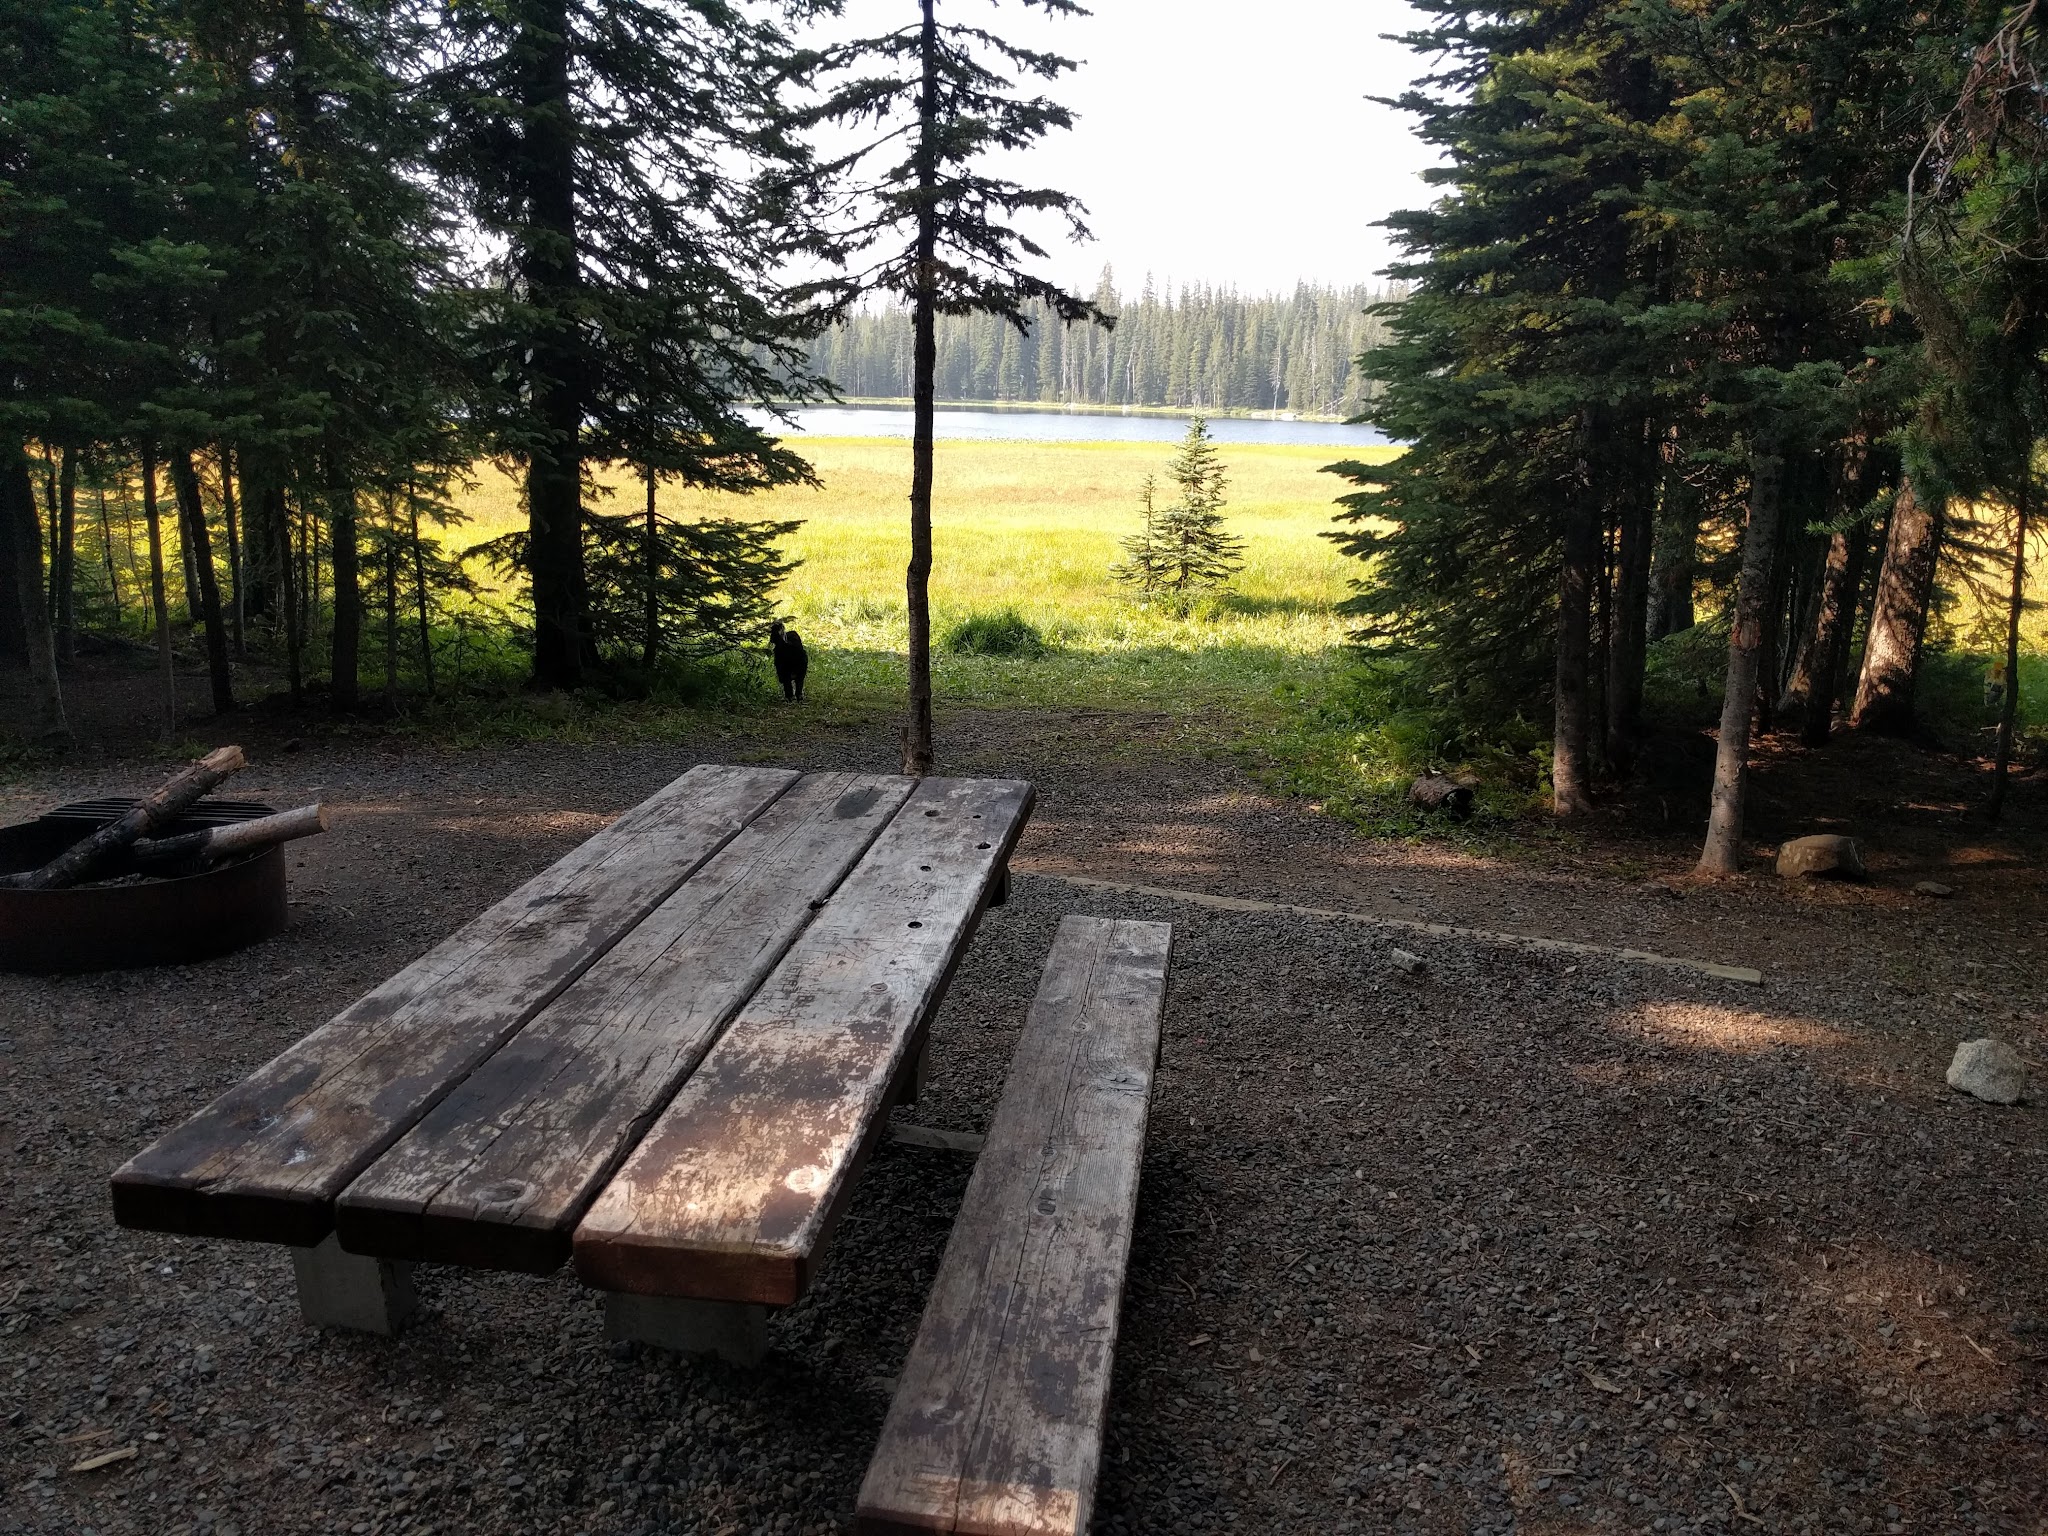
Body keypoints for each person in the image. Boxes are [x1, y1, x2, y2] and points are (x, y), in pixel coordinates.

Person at [769, 620, 808, 702]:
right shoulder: (792, 638)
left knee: (788, 676)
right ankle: (796, 695)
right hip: (792, 659)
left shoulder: (789, 640)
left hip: (791, 659)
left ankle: (792, 695)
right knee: (794, 677)